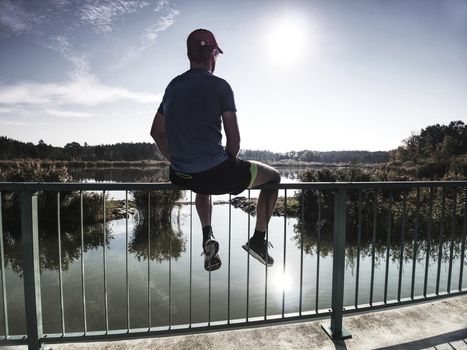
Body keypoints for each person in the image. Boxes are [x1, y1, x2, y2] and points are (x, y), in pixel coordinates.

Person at [151, 28, 280, 271]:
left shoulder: (172, 87)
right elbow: (235, 139)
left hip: (181, 174)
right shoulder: (220, 86)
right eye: (216, 55)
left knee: (203, 179)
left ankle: (207, 234)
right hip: (215, 172)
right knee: (274, 177)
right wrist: (227, 164)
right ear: (212, 54)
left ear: (189, 55)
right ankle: (258, 240)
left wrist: (175, 158)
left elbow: (156, 131)